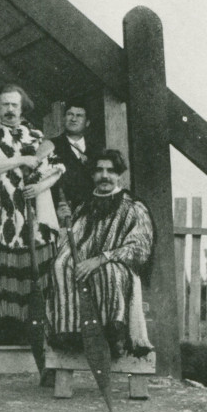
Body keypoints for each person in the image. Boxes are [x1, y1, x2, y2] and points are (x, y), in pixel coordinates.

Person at [0, 84, 63, 364]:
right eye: (4, 105)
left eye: (14, 105)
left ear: (22, 107)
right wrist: (20, 160)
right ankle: (14, 339)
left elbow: (57, 168)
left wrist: (40, 188)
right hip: (5, 218)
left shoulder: (36, 136)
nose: (10, 110)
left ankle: (42, 345)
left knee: (39, 283)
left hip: (35, 217)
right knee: (9, 284)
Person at [45, 149, 155, 358]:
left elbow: (140, 247)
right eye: (99, 170)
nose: (105, 176)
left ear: (119, 174)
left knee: (108, 272)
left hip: (118, 268)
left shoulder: (133, 207)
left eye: (110, 171)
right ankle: (71, 334)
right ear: (92, 175)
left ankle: (113, 336)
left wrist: (101, 259)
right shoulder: (84, 206)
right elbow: (71, 243)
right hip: (85, 266)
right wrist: (63, 222)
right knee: (60, 265)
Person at [49, 100, 101, 214]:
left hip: (92, 212)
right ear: (63, 118)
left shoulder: (97, 150)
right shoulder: (52, 146)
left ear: (87, 122)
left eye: (79, 115)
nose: (73, 119)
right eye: (70, 114)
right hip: (62, 213)